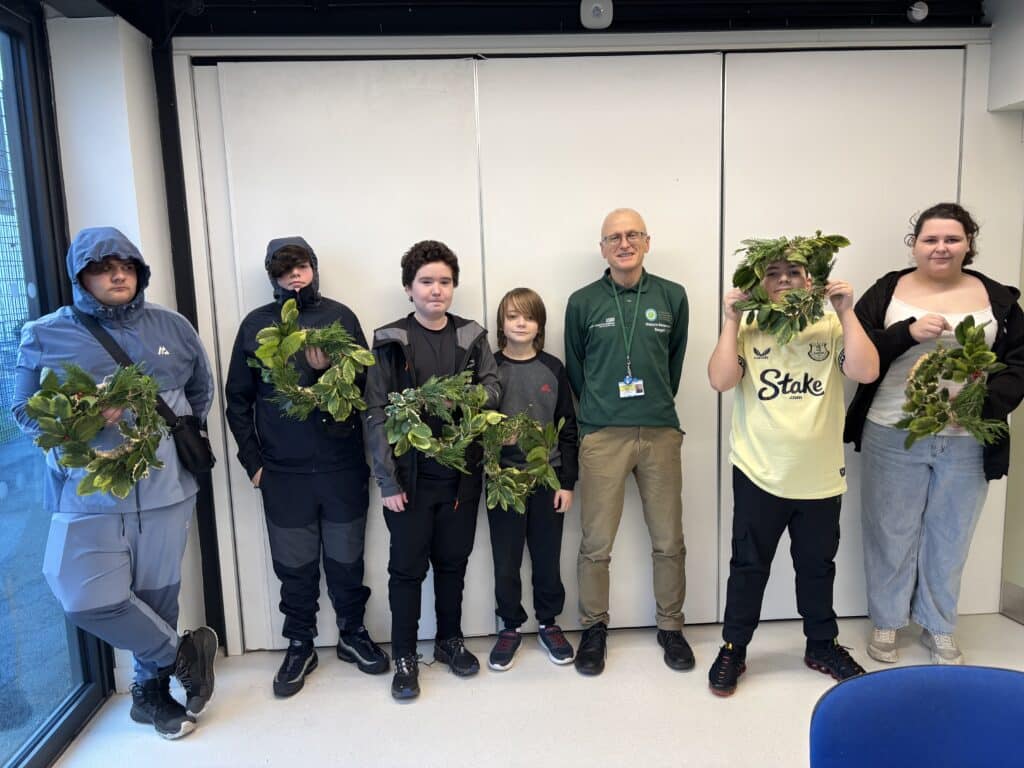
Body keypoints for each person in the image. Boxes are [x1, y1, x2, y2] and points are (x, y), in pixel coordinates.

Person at [12, 227, 217, 740]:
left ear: (140, 272)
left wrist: (165, 446)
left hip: (166, 490)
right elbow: (23, 412)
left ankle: (150, 696)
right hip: (87, 493)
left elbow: (200, 392)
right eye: (103, 267)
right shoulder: (45, 333)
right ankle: (183, 654)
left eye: (126, 265)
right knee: (83, 596)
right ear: (80, 277)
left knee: (156, 596)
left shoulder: (172, 326)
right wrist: (86, 420)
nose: (117, 274)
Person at [844, 202, 1024, 665]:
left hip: (970, 437)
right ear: (915, 244)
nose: (941, 248)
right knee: (890, 529)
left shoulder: (998, 298)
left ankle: (939, 625)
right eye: (931, 239)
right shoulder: (890, 289)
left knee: (952, 533)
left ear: (968, 244)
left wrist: (984, 403)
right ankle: (887, 621)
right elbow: (855, 351)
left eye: (952, 239)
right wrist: (906, 333)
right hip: (891, 429)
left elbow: (1019, 363)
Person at [707, 253, 878, 696]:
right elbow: (721, 380)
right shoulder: (748, 325)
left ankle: (822, 644)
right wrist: (730, 320)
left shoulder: (830, 323)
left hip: (820, 476)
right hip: (759, 470)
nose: (783, 280)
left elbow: (866, 370)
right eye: (773, 274)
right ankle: (733, 647)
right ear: (759, 283)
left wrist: (846, 310)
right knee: (748, 567)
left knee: (817, 568)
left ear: (811, 280)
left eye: (794, 273)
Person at [225, 237, 388, 698]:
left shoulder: (340, 317)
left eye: (301, 266)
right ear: (272, 276)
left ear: (314, 268)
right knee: (294, 566)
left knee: (346, 559)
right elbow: (238, 399)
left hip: (341, 466)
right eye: (283, 269)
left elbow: (366, 386)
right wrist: (253, 463)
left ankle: (353, 634)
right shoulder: (257, 324)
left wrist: (327, 369)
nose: (294, 275)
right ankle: (300, 643)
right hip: (283, 472)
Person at [363, 240, 500, 700]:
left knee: (452, 565)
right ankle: (404, 653)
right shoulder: (389, 339)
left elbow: (492, 390)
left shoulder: (472, 336)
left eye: (444, 281)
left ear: (453, 287)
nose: (436, 290)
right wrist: (386, 480)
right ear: (409, 288)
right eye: (426, 282)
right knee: (405, 570)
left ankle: (449, 641)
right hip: (408, 481)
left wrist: (462, 399)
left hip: (461, 477)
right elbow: (376, 411)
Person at [563, 208, 692, 676]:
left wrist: (650, 404)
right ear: (602, 248)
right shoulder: (582, 302)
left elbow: (672, 366)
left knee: (668, 539)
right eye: (614, 237)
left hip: (659, 431)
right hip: (601, 434)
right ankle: (594, 628)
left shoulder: (672, 296)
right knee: (596, 543)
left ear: (647, 241)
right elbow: (575, 370)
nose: (623, 243)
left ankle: (671, 627)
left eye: (632, 234)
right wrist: (596, 418)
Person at [486, 287, 579, 672]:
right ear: (502, 324)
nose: (520, 323)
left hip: (546, 480)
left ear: (539, 324)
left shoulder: (554, 368)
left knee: (546, 556)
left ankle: (549, 622)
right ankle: (509, 625)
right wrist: (495, 438)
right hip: (503, 482)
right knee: (506, 560)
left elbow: (568, 429)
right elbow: (474, 425)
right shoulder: (488, 368)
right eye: (512, 316)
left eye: (528, 316)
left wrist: (566, 482)